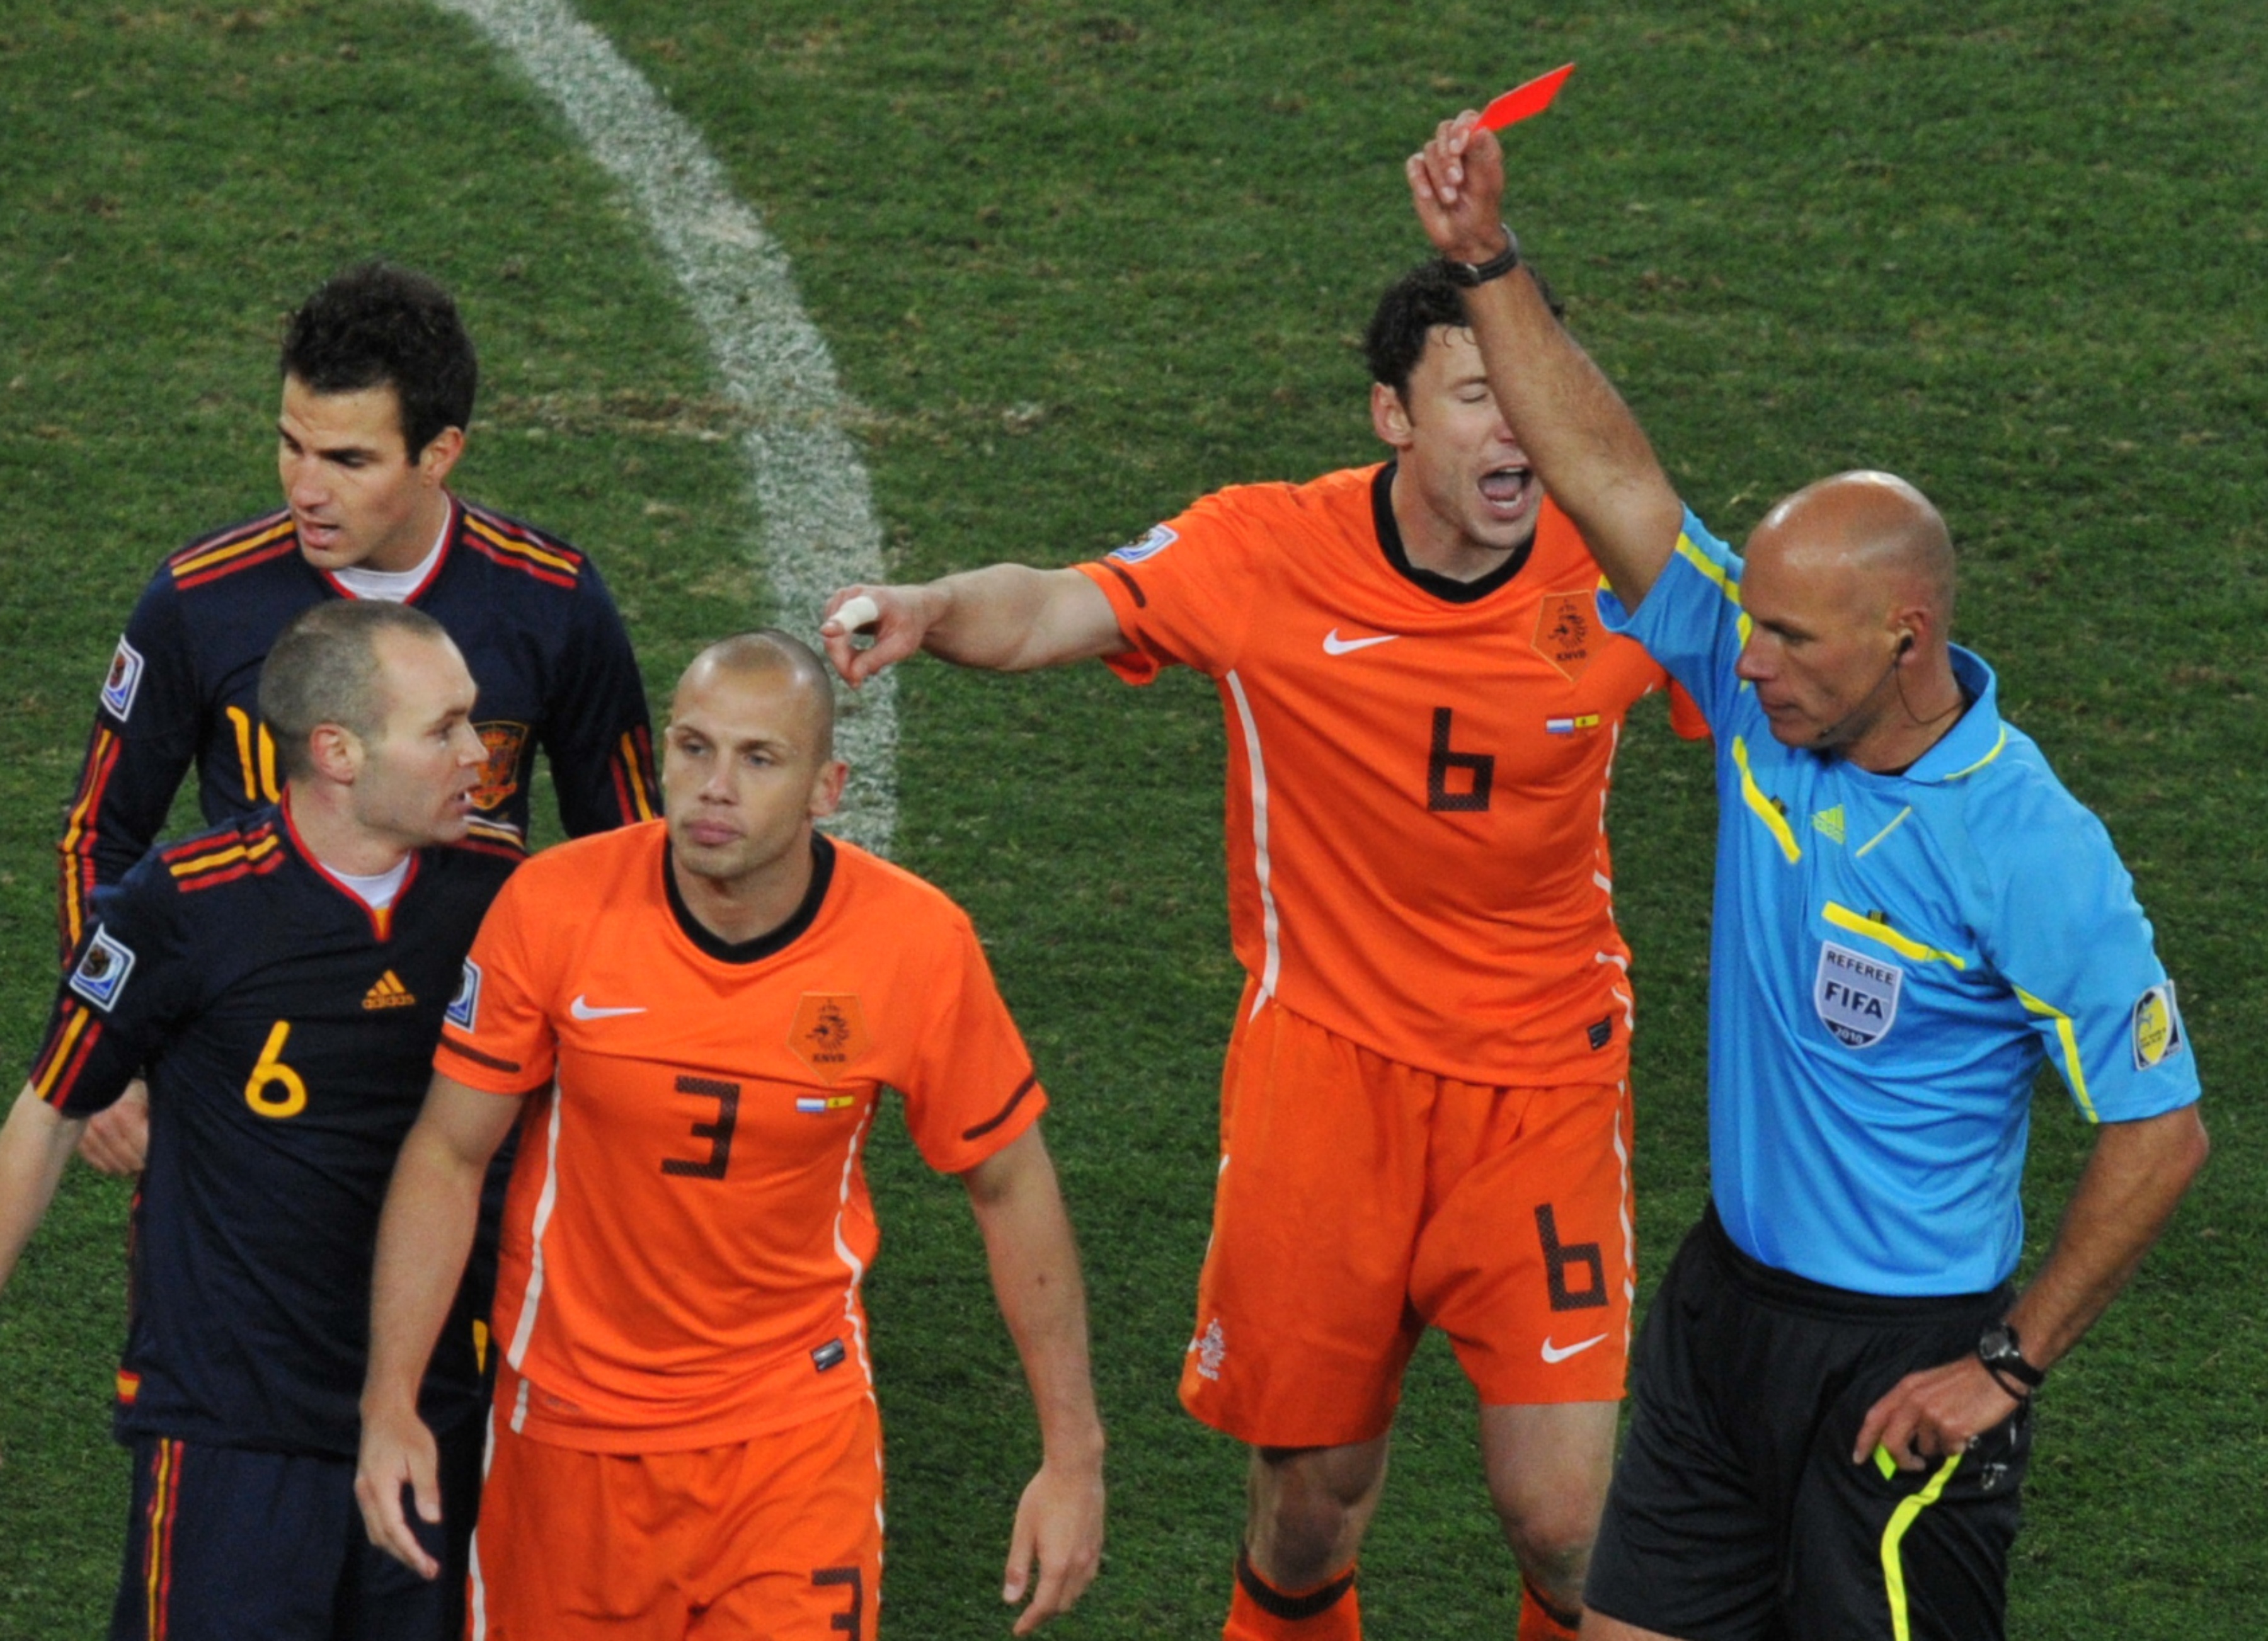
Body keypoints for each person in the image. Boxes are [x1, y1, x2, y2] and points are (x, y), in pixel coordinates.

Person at [1406, 113, 2211, 1641]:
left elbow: (2162, 1135)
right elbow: (1612, 479)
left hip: (1898, 1362)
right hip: (1726, 1311)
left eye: (1790, 640)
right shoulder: (1765, 693)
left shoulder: (2030, 847)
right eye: (1751, 624)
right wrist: (1487, 262)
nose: (1742, 664)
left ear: (1904, 636)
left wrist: (2011, 1362)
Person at [818, 266, 1707, 1641]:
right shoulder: (1269, 551)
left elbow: (1793, 703)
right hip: (1327, 1080)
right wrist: (937, 608)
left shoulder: (1628, 568)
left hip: (1543, 1083)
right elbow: (1068, 606)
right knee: (1309, 1513)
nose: (1514, 431)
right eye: (1476, 397)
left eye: (1530, 394)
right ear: (1393, 416)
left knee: (1572, 1525)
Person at [353, 631, 1105, 1640]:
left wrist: (1073, 1457)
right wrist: (390, 1398)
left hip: (793, 1430)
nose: (715, 787)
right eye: (695, 749)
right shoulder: (556, 905)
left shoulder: (916, 945)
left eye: (759, 759)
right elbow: (450, 1152)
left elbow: (1009, 1185)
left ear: (826, 785)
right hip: (572, 1433)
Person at [58, 259, 660, 1175]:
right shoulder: (199, 599)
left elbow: (628, 850)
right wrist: (101, 1046)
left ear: (439, 453)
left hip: (467, 1079)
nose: (306, 487)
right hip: (242, 1084)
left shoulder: (553, 601)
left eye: (348, 459)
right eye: (292, 444)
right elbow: (97, 833)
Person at [0, 600, 521, 1640]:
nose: (481, 753)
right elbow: (51, 1111)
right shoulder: (183, 904)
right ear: (335, 751)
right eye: (444, 728)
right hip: (232, 1428)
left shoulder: (505, 888)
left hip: (430, 1409)